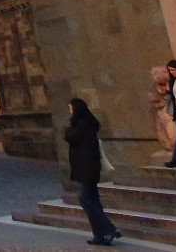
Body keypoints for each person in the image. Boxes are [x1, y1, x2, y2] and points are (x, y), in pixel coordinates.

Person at [64, 98, 120, 246]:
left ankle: (109, 229)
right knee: (92, 200)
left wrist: (70, 126)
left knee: (85, 199)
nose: (69, 110)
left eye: (71, 108)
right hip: (88, 169)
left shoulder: (82, 125)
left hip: (87, 170)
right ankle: (100, 235)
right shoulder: (87, 124)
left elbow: (70, 136)